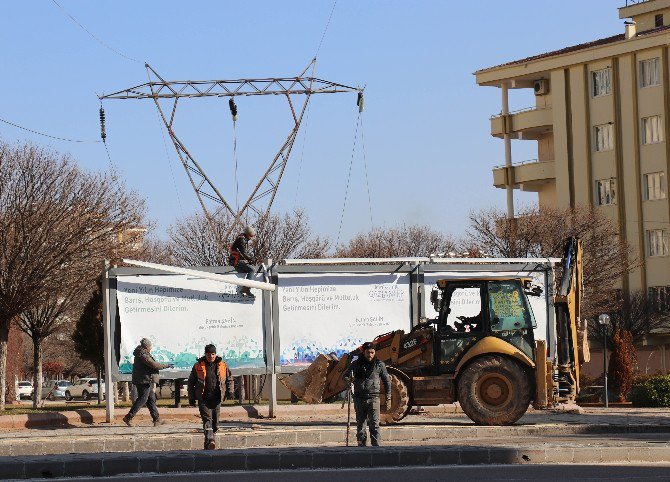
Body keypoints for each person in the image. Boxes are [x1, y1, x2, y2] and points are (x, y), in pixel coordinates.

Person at [188, 344, 235, 450]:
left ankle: (208, 443)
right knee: (207, 420)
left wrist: (230, 391)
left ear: (215, 354)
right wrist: (191, 398)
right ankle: (211, 441)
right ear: (205, 354)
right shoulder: (198, 365)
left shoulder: (222, 365)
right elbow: (191, 383)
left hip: (217, 398)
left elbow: (229, 379)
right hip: (203, 398)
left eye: (213, 354)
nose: (211, 356)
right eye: (209, 354)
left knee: (215, 424)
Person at [345, 342, 392, 447]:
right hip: (359, 399)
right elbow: (346, 376)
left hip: (374, 399)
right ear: (364, 352)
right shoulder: (356, 364)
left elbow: (387, 381)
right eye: (367, 352)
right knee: (360, 424)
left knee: (374, 424)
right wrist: (348, 380)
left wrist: (388, 397)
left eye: (372, 352)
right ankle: (361, 445)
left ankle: (375, 446)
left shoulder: (379, 365)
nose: (370, 355)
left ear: (374, 352)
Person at [123, 338, 173, 427]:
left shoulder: (142, 353)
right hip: (143, 380)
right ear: (147, 347)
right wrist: (166, 365)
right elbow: (153, 365)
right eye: (150, 346)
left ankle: (156, 419)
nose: (151, 348)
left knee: (151, 400)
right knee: (143, 399)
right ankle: (128, 417)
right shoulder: (143, 355)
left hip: (145, 379)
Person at [229, 226, 257, 298]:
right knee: (252, 269)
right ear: (247, 234)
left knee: (245, 272)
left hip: (236, 260)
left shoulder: (242, 238)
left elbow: (241, 254)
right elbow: (243, 253)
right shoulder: (242, 240)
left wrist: (248, 260)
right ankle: (247, 288)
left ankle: (242, 289)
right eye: (251, 236)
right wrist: (250, 259)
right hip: (235, 261)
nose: (251, 238)